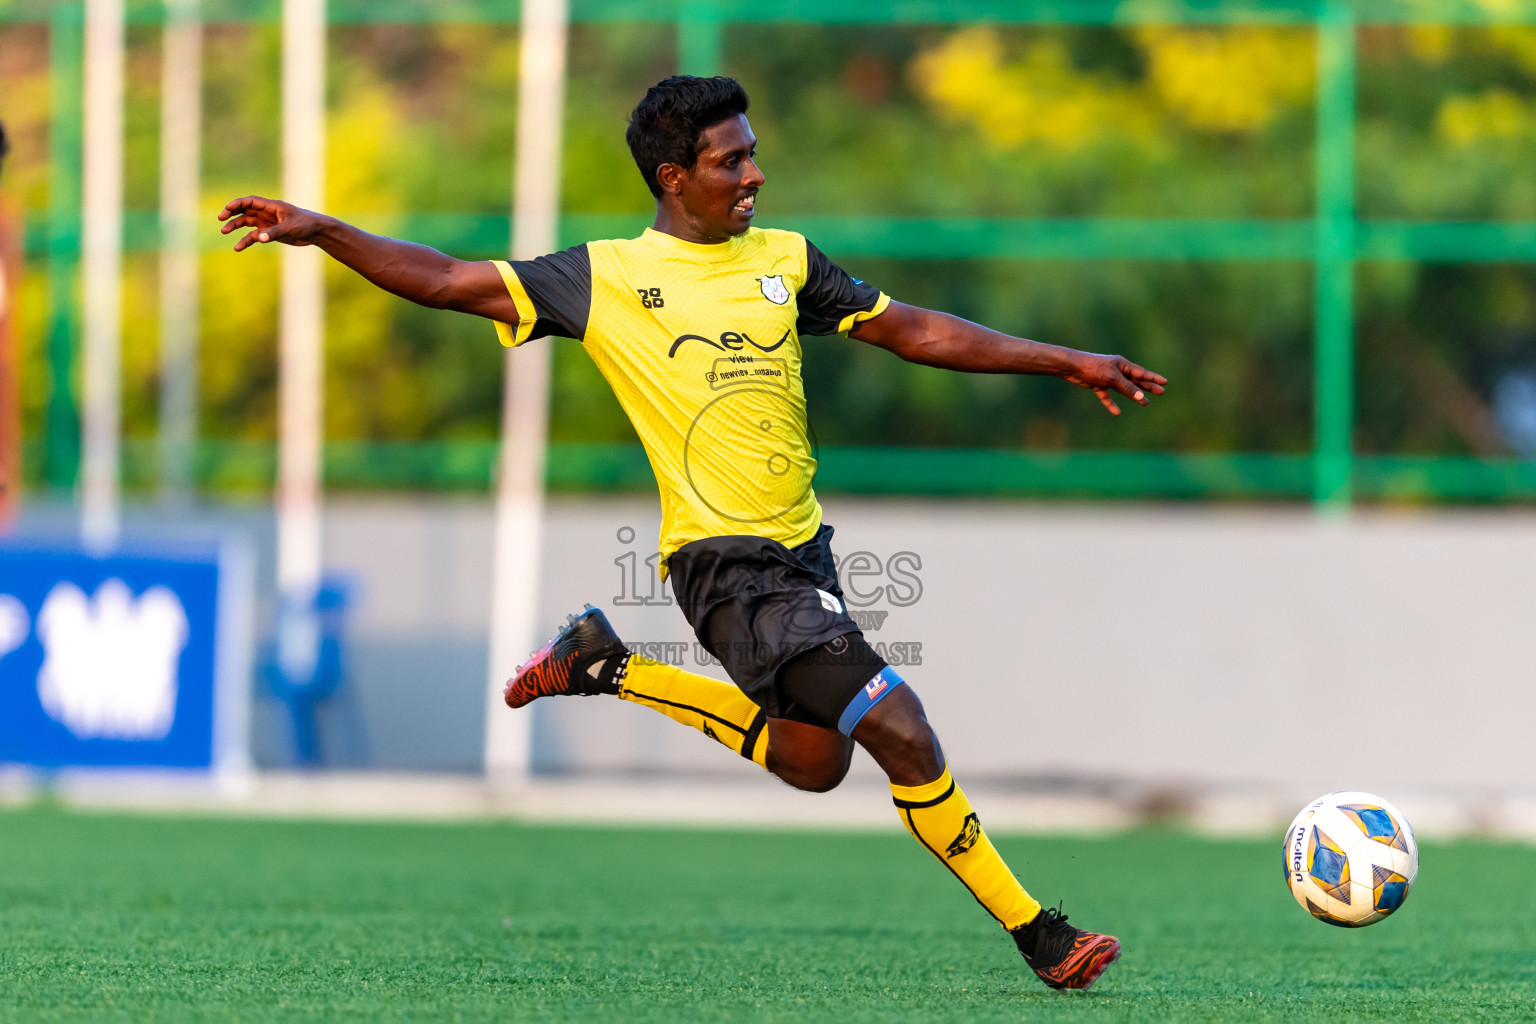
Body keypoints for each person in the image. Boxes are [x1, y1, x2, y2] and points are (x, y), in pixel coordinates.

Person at [220, 75, 1165, 992]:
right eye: (731, 161)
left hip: (803, 556)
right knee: (902, 733)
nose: (754, 174)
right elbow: (446, 280)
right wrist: (327, 231)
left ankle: (605, 665)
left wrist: (1065, 361)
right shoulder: (607, 278)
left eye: (753, 154)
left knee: (813, 761)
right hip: (725, 567)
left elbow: (913, 330)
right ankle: (1040, 935)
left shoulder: (787, 261)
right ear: (674, 177)